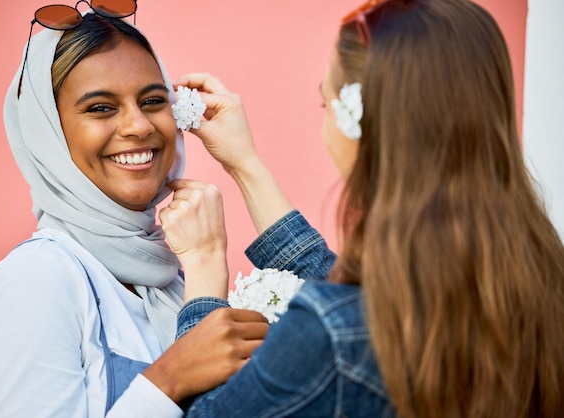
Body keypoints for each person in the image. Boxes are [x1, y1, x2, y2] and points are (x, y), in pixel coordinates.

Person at [156, 0, 564, 416]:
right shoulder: (537, 280)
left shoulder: (332, 335)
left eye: (325, 103)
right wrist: (245, 165)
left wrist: (205, 266)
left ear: (358, 121)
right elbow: (355, 298)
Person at [0, 7, 268, 418]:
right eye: (100, 108)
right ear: (47, 132)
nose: (139, 126)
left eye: (153, 100)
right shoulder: (35, 282)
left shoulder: (172, 281)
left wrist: (244, 164)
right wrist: (170, 377)